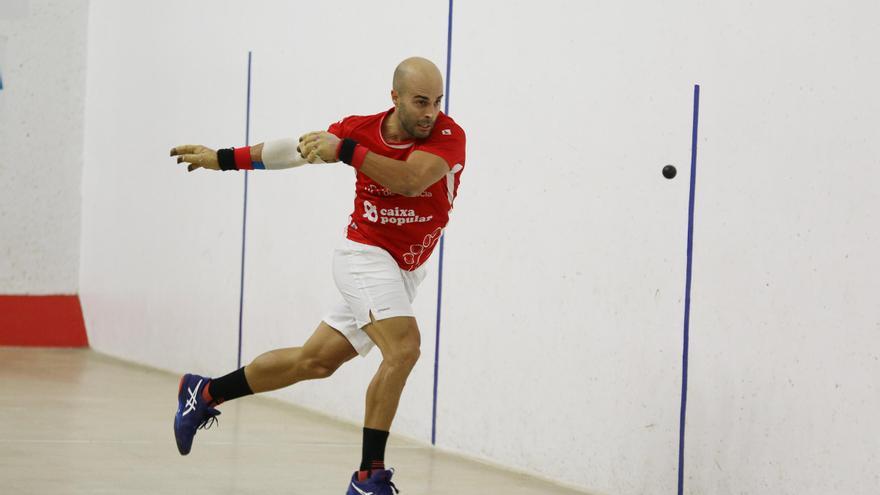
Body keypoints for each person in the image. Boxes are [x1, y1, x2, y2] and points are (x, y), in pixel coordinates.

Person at [169, 56, 466, 495]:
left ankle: (205, 393)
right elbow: (297, 149)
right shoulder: (360, 129)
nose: (430, 112)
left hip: (404, 270)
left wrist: (344, 151)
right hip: (364, 256)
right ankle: (369, 477)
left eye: (436, 101)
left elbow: (411, 181)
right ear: (395, 98)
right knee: (403, 349)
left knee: (316, 361)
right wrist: (223, 159)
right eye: (420, 101)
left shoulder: (448, 136)